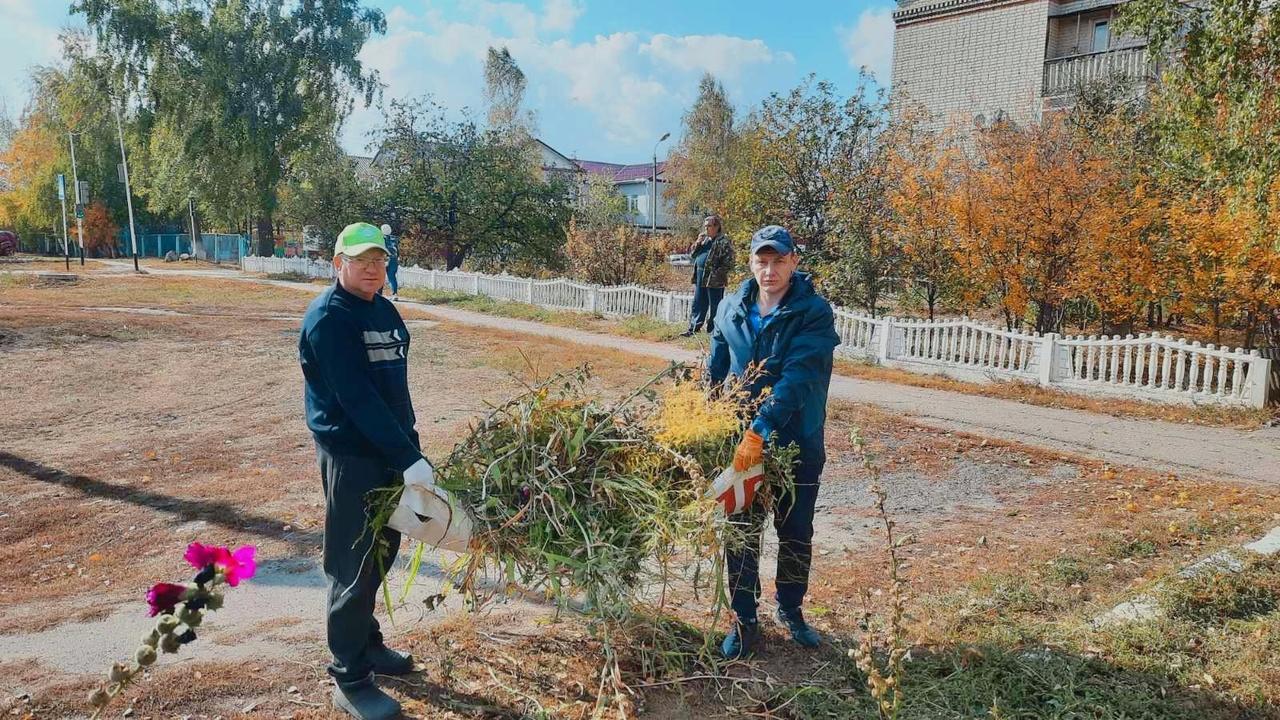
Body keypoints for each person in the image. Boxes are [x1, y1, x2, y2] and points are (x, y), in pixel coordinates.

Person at [299, 222, 458, 720]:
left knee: (382, 553)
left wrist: (409, 446)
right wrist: (405, 455)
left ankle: (367, 644)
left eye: (380, 260)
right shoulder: (329, 318)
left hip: (390, 453)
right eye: (361, 259)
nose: (373, 268)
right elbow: (358, 400)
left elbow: (393, 392)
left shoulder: (383, 309)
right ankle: (348, 676)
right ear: (338, 263)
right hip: (352, 457)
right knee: (352, 564)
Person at [707, 225, 840, 660]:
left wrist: (759, 430)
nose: (770, 270)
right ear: (751, 263)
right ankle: (744, 618)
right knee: (741, 531)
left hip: (795, 439)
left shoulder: (813, 313)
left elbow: (798, 377)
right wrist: (702, 411)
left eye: (778, 261)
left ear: (793, 262)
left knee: (795, 529)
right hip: (741, 443)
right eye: (762, 262)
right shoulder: (731, 306)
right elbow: (717, 361)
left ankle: (790, 608)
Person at [682, 215, 734, 337]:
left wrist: (717, 273)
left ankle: (713, 331)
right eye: (705, 226)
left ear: (717, 227)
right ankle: (693, 328)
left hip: (714, 278)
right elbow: (693, 255)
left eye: (709, 226)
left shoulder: (723, 241)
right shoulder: (704, 240)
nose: (706, 229)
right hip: (701, 275)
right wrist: (698, 243)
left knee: (715, 305)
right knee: (698, 302)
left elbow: (729, 262)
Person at [380, 224, 400, 301]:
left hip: (384, 258)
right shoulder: (394, 239)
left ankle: (379, 294)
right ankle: (394, 294)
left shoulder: (381, 238)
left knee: (381, 276)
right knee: (392, 277)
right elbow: (397, 251)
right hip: (394, 259)